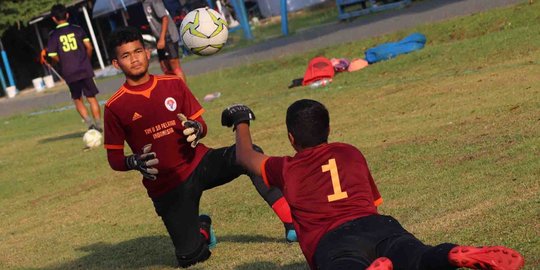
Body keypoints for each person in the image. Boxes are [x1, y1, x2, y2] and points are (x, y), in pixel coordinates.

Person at [221, 99, 525, 270]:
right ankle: (450, 253)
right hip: (379, 226)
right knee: (417, 257)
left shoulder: (286, 167)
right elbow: (374, 203)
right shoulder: (350, 152)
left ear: (291, 138)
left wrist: (241, 120)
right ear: (329, 129)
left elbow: (246, 157)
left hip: (332, 239)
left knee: (345, 265)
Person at [103, 27, 296, 268]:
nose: (134, 58)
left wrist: (196, 128)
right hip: (167, 186)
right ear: (115, 63)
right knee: (190, 258)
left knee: (249, 154)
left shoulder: (173, 84)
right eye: (126, 55)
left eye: (138, 51)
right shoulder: (115, 106)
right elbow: (114, 158)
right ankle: (202, 227)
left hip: (199, 163)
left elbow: (201, 125)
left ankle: (292, 223)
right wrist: (133, 162)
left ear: (148, 52)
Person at [46, 4, 102, 132]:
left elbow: (53, 56)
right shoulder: (78, 29)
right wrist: (86, 60)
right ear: (67, 15)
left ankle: (89, 124)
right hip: (84, 69)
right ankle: (98, 125)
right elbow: (89, 47)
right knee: (91, 98)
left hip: (69, 71)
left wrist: (63, 62)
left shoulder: (53, 35)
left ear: (54, 18)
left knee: (77, 99)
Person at [142, 0, 186, 82]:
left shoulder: (154, 2)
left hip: (168, 36)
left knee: (174, 65)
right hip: (160, 38)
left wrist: (162, 39)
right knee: (164, 66)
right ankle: (174, 91)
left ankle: (185, 93)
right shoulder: (144, 3)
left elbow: (165, 18)